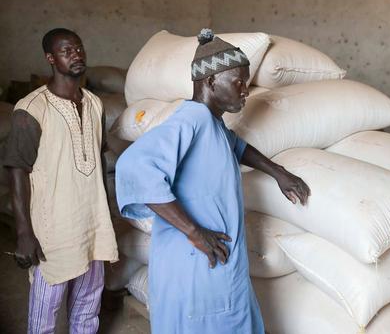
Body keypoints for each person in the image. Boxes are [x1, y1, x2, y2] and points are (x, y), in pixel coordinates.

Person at [115, 29, 311, 333]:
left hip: (211, 259)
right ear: (209, 82)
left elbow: (237, 147)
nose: (245, 91)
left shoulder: (211, 124)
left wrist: (278, 172)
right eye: (238, 83)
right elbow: (137, 167)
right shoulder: (190, 120)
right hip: (196, 263)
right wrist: (194, 231)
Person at [2, 28, 118, 333]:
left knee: (87, 307)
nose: (76, 55)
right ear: (50, 59)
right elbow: (16, 171)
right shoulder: (31, 109)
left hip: (91, 225)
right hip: (53, 229)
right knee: (44, 315)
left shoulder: (95, 104)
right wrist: (24, 233)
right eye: (67, 51)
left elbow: (97, 161)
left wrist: (105, 215)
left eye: (79, 48)